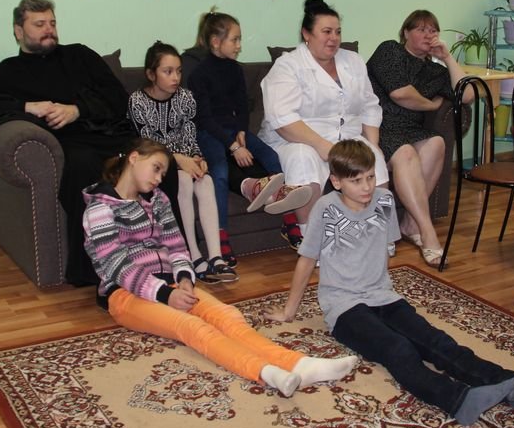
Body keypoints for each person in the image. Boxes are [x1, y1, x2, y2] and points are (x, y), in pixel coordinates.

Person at [265, 140, 514, 425]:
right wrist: (289, 311)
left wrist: (381, 288)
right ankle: (458, 400)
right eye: (356, 181)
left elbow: (383, 250)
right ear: (337, 181)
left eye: (370, 177)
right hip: (344, 308)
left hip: (383, 297)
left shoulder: (384, 201)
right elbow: (307, 260)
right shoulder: (325, 208)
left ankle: (504, 382)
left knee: (435, 340)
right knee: (397, 348)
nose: (367, 187)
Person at [83, 136, 359, 397]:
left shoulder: (158, 200)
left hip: (170, 283)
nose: (158, 179)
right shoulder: (99, 209)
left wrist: (185, 278)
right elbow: (117, 266)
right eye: (156, 169)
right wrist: (165, 294)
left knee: (228, 316)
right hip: (124, 294)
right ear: (133, 158)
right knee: (191, 326)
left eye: (162, 174)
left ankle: (300, 365)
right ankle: (266, 372)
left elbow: (176, 246)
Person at [0, 0, 179, 286]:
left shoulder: (80, 55)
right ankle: (94, 273)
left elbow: (117, 97)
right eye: (39, 24)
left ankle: (169, 259)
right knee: (84, 166)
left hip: (113, 135)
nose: (49, 29)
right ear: (19, 31)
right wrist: (26, 106)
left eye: (52, 23)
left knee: (160, 162)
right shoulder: (8, 72)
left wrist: (77, 110)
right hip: (71, 145)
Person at [187, 10, 312, 263]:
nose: (239, 45)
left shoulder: (235, 69)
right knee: (219, 173)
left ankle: (288, 220)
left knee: (272, 158)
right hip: (209, 133)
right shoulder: (199, 74)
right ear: (216, 42)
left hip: (234, 130)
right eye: (234, 40)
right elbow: (205, 118)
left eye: (239, 39)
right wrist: (233, 146)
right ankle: (221, 236)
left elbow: (242, 105)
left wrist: (242, 131)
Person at [259, 0, 387, 231]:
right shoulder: (288, 65)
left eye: (338, 32)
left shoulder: (353, 61)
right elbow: (282, 119)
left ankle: (374, 232)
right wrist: (324, 147)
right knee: (303, 157)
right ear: (306, 34)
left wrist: (372, 146)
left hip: (346, 138)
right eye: (326, 31)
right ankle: (310, 235)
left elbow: (370, 106)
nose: (334, 38)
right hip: (296, 139)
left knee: (373, 158)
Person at [366, 10, 475, 268]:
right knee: (406, 153)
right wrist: (431, 105)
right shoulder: (390, 50)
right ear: (406, 32)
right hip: (378, 126)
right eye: (421, 29)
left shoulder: (435, 71)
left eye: (433, 30)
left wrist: (447, 58)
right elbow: (400, 94)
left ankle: (410, 223)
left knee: (436, 143)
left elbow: (468, 95)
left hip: (411, 129)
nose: (428, 35)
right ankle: (428, 233)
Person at [128, 42, 237, 284]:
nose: (175, 77)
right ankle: (193, 256)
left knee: (206, 181)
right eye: (167, 72)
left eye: (178, 71)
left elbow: (190, 136)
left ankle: (216, 257)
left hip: (185, 159)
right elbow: (147, 144)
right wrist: (178, 160)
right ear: (151, 74)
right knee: (184, 180)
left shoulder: (186, 98)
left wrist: (197, 159)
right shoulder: (138, 101)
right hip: (154, 165)